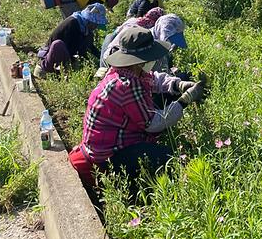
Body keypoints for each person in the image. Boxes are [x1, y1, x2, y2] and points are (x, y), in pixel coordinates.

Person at [68, 27, 206, 190]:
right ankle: (133, 186)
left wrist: (178, 84)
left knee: (166, 96)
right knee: (170, 160)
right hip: (109, 156)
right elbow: (154, 123)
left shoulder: (124, 73)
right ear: (140, 61)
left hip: (104, 144)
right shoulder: (127, 86)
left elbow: (154, 79)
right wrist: (185, 100)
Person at [35, 3, 107, 77]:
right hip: (52, 55)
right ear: (90, 21)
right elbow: (71, 47)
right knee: (58, 45)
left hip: (66, 55)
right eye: (95, 24)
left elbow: (90, 47)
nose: (96, 27)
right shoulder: (72, 23)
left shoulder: (85, 28)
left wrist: (102, 58)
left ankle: (65, 70)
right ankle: (47, 69)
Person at [97, 7, 166, 76]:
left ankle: (102, 67)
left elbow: (115, 33)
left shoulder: (132, 20)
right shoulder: (147, 33)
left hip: (111, 53)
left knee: (109, 36)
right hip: (123, 57)